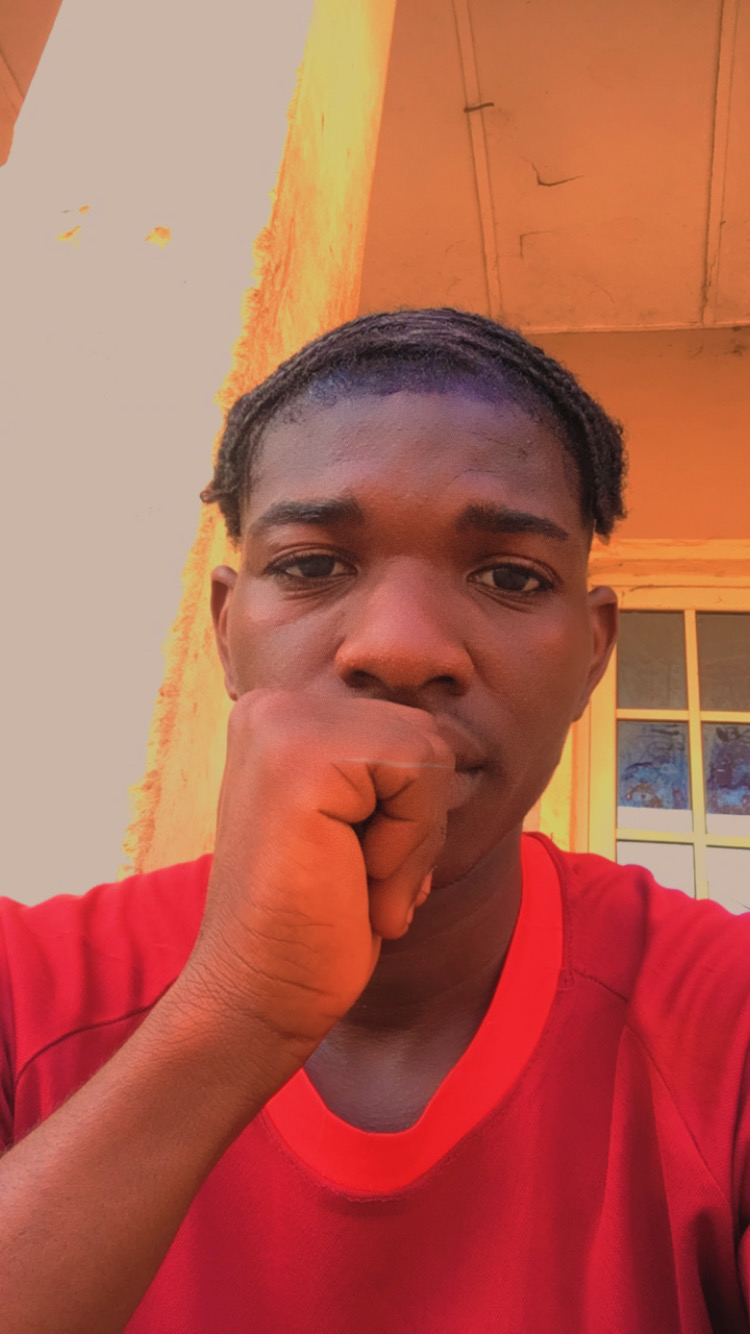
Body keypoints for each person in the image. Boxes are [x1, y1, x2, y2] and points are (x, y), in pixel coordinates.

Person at [0, 307, 748, 1333]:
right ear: (225, 630)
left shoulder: (724, 1019)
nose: (399, 648)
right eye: (312, 565)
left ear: (593, 653)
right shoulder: (23, 992)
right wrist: (237, 1013)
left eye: (511, 577)